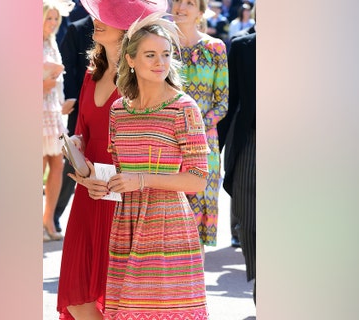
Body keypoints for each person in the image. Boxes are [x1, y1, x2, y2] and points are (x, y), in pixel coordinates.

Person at [56, 1, 169, 319]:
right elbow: (84, 134)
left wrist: (104, 174)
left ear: (129, 29)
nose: (96, 20)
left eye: (108, 17)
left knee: (121, 302)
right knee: (77, 299)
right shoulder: (93, 74)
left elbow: (154, 149)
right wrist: (75, 146)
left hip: (126, 201)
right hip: (89, 197)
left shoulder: (144, 79)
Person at [95, 13, 209, 319]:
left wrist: (142, 179)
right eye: (150, 55)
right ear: (130, 60)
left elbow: (198, 179)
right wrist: (97, 184)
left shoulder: (183, 108)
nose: (161, 62)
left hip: (166, 227)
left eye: (166, 54)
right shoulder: (119, 110)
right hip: (127, 225)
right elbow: (122, 175)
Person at [171, 0, 228, 249]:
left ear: (201, 12)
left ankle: (193, 286)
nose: (181, 7)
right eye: (177, 1)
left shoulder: (216, 47)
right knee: (169, 216)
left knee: (195, 224)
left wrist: (193, 130)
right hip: (166, 140)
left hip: (203, 143)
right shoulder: (161, 44)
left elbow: (222, 103)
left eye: (190, 3)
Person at [217, 31, 256, 307]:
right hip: (251, 144)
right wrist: (210, 149)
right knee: (249, 223)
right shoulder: (243, 46)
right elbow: (229, 104)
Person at [54, 15, 95, 233]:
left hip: (112, 108)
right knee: (73, 162)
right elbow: (66, 67)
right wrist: (70, 98)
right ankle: (54, 214)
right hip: (79, 107)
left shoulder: (124, 27)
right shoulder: (76, 29)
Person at [43, 0, 76, 242]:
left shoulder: (52, 41)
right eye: (48, 18)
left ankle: (48, 221)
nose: (53, 23)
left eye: (56, 18)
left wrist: (63, 102)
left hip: (54, 111)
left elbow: (58, 81)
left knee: (58, 165)